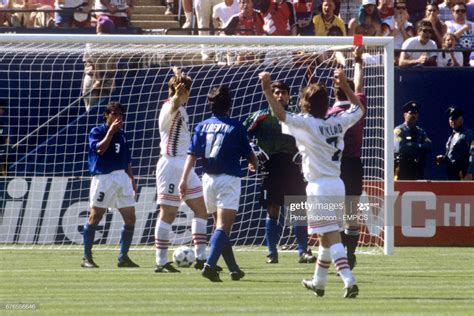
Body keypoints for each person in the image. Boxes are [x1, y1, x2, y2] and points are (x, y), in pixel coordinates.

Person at [259, 68, 363, 298]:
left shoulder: (306, 123)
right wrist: (345, 86)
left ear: (305, 103)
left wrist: (267, 89)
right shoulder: (338, 120)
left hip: (319, 186)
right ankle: (318, 281)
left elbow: (280, 115)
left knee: (331, 236)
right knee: (326, 237)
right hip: (337, 184)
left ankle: (349, 279)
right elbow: (359, 109)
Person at [179, 85, 258, 282]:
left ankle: (233, 268)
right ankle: (209, 264)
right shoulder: (235, 126)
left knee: (219, 227)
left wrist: (183, 179)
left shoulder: (201, 126)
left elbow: (192, 155)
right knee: (223, 227)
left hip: (207, 180)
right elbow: (249, 155)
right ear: (229, 105)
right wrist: (254, 163)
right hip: (227, 179)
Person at [244, 80, 316, 264]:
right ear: (270, 94)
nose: (280, 96)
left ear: (289, 95)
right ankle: (271, 252)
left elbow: (309, 137)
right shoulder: (259, 116)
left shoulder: (295, 117)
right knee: (272, 209)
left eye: (283, 92)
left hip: (293, 167)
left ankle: (303, 251)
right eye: (276, 92)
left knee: (298, 209)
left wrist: (303, 153)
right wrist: (253, 153)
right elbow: (242, 135)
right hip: (271, 167)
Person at [154, 68, 209, 273]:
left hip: (185, 165)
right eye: (187, 90)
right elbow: (174, 103)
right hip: (170, 164)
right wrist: (177, 95)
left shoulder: (181, 108)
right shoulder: (170, 106)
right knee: (168, 212)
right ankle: (160, 261)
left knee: (201, 210)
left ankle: (201, 258)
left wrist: (179, 74)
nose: (189, 94)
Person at [82, 101, 139, 268]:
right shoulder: (98, 131)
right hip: (104, 177)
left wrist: (132, 179)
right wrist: (110, 133)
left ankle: (123, 257)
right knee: (96, 216)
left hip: (122, 177)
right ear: (106, 115)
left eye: (121, 114)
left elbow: (127, 160)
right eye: (114, 113)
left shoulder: (122, 134)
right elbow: (99, 150)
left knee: (130, 218)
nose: (118, 117)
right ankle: (86, 257)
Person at [326, 46, 366, 270]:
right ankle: (350, 252)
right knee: (352, 211)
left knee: (333, 213)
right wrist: (358, 59)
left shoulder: (327, 115)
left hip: (333, 166)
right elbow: (358, 85)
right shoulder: (357, 109)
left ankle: (338, 252)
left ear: (334, 93)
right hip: (353, 164)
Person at [82, 15, 118, 111]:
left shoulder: (92, 41)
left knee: (90, 110)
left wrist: (97, 80)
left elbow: (93, 61)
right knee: (107, 112)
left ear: (99, 26)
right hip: (109, 80)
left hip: (92, 78)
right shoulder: (117, 41)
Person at [394, 101, 432, 180]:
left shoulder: (421, 131)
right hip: (403, 167)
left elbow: (429, 147)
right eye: (411, 113)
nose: (413, 115)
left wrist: (413, 145)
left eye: (416, 113)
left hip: (417, 168)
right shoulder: (399, 130)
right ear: (405, 115)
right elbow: (401, 148)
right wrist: (420, 147)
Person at [436, 106, 472, 180]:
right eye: (451, 119)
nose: (453, 121)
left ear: (461, 119)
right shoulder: (451, 137)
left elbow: (473, 154)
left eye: (455, 118)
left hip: (463, 174)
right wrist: (444, 158)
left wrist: (470, 172)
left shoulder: (468, 135)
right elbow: (453, 156)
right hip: (452, 174)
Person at [0, 100, 10, 176]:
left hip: (2, 154)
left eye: (3, 109)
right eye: (1, 108)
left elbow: (7, 138)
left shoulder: (3, 125)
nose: (2, 111)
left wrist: (7, 147)